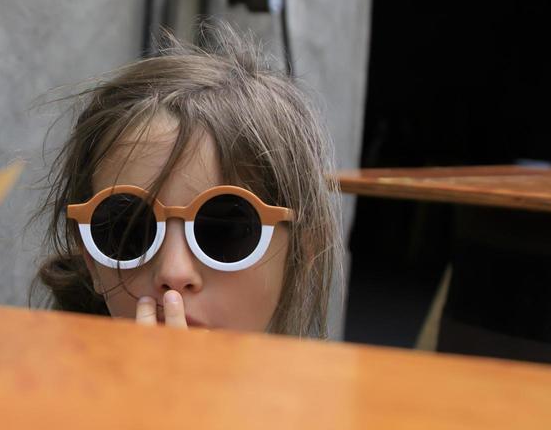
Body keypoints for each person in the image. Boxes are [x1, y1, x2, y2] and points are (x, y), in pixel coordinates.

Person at [32, 23, 340, 337]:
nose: (173, 273)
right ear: (90, 257)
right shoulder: (35, 383)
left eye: (225, 231)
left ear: (302, 256)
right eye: (129, 229)